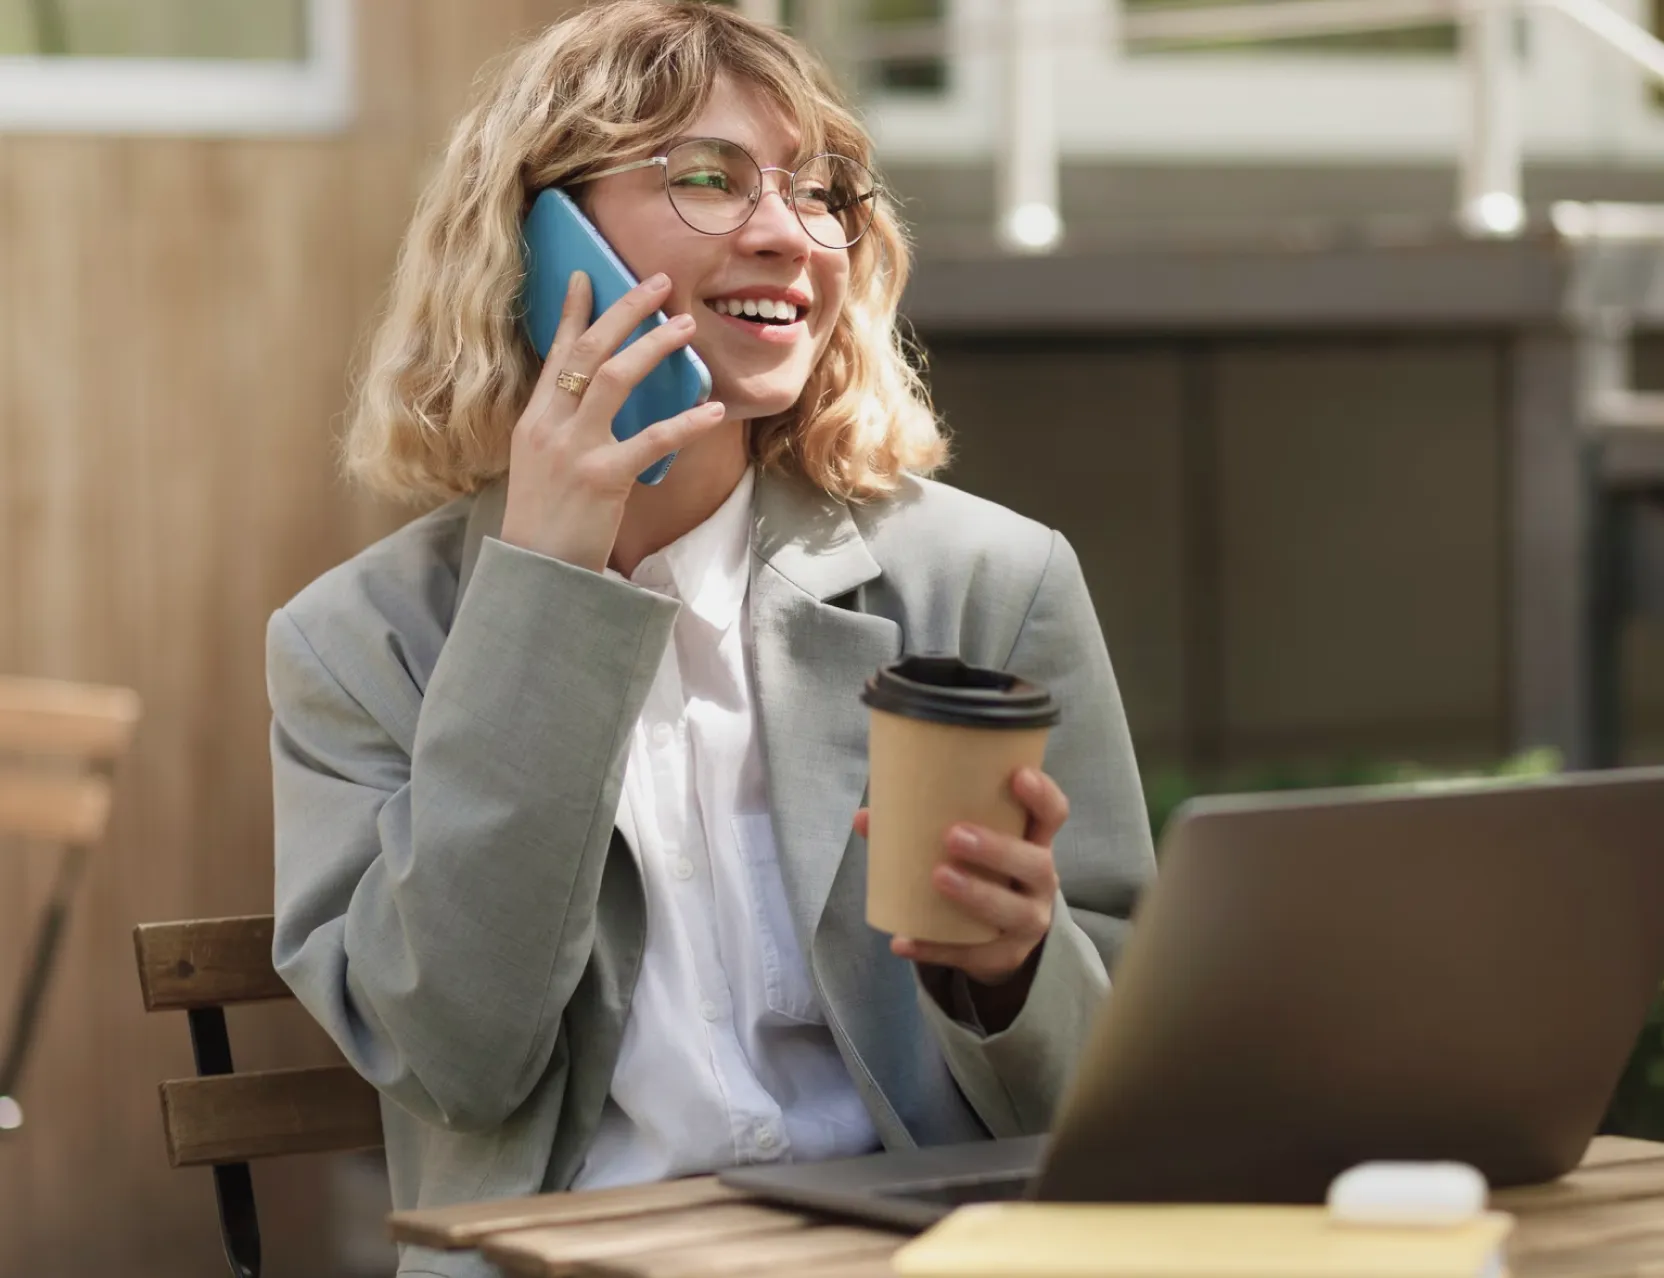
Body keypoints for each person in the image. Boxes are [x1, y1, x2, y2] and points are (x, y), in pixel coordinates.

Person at [267, 3, 1154, 1274]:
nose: (786, 235)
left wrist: (1010, 977)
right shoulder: (357, 646)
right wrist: (544, 587)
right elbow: (453, 1055)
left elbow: (1116, 1086)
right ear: (536, 242)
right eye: (705, 179)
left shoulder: (988, 582)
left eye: (816, 192)